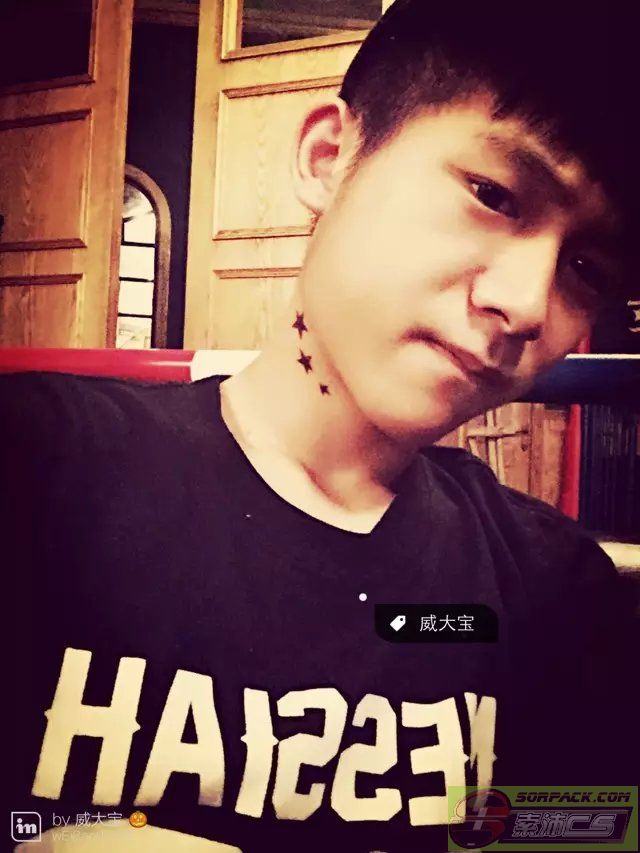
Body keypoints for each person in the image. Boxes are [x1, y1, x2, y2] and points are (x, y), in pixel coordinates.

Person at [6, 2, 638, 851]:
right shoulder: (36, 469)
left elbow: (587, 828)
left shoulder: (554, 592)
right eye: (493, 194)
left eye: (586, 268)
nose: (526, 304)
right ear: (329, 157)